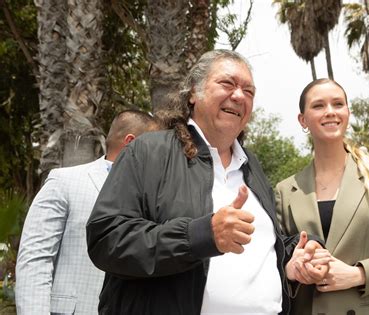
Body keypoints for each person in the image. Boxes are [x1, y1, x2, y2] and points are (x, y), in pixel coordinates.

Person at [86, 50, 330, 315]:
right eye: (227, 84)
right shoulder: (148, 152)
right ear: (193, 93)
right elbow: (106, 239)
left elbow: (262, 248)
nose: (239, 95)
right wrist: (201, 235)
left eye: (249, 91)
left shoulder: (251, 167)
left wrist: (293, 258)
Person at [275, 78, 369, 315]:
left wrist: (359, 274)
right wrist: (297, 268)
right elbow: (280, 262)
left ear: (348, 112)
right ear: (302, 120)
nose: (330, 112)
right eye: (318, 106)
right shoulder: (285, 191)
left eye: (337, 104)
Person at [15, 110, 161, 315]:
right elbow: (36, 259)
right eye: (157, 146)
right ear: (131, 143)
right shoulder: (65, 181)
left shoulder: (157, 196)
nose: (164, 155)